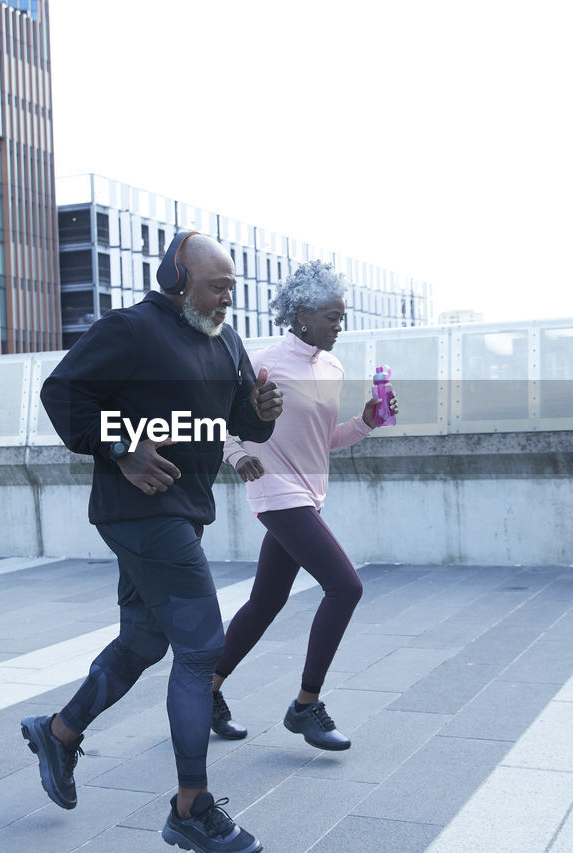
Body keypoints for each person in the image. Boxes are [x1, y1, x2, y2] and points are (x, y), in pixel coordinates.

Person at [25, 231, 280, 853]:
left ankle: (58, 732)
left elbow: (237, 422)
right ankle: (191, 808)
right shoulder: (131, 329)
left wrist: (263, 409)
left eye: (231, 288)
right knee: (201, 650)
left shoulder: (225, 341)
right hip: (140, 511)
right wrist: (121, 446)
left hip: (183, 509)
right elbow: (62, 394)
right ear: (176, 278)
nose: (227, 299)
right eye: (218, 285)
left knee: (144, 639)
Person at [211, 260, 398, 751]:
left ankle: (205, 689)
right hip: (275, 491)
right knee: (345, 586)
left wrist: (366, 423)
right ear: (300, 315)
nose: (340, 326)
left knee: (266, 601)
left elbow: (322, 441)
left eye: (342, 316)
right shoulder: (263, 363)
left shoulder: (332, 368)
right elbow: (222, 423)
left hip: (309, 494)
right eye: (331, 317)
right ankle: (305, 706)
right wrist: (235, 455)